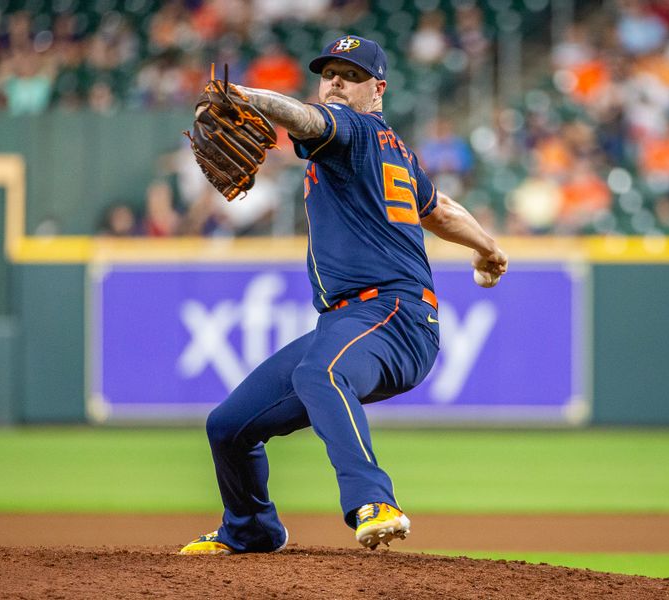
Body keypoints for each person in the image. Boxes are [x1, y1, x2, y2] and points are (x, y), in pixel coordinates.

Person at [179, 35, 507, 555]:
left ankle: (374, 501)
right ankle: (251, 528)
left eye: (350, 75)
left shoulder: (352, 128)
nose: (335, 81)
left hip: (394, 315)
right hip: (349, 322)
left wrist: (242, 94)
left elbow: (308, 121)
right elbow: (439, 210)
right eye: (328, 72)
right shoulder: (393, 150)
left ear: (377, 90)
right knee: (228, 426)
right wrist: (488, 248)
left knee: (320, 372)